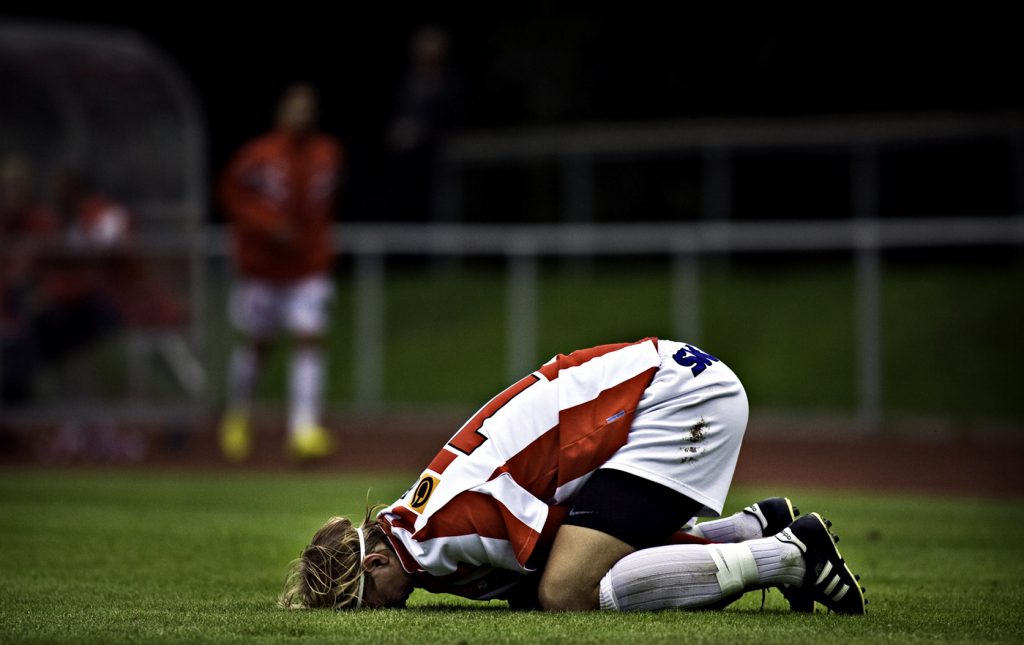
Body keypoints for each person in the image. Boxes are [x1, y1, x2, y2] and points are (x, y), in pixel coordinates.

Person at [280, 337, 866, 613]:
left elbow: (557, 562)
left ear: (377, 562)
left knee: (567, 590)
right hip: (659, 390)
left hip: (673, 401)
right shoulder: (415, 524)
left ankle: (789, 556)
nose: (376, 615)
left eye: (362, 603)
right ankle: (753, 529)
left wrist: (539, 590)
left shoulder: (436, 533)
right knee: (574, 565)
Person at [217, 83, 344, 462]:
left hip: (307, 269)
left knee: (309, 339)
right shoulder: (258, 155)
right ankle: (238, 415)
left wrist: (319, 247)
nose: (302, 114)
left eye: (308, 108)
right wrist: (268, 226)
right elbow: (231, 194)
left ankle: (304, 429)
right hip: (263, 270)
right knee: (258, 344)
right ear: (281, 112)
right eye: (296, 107)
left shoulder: (328, 154)